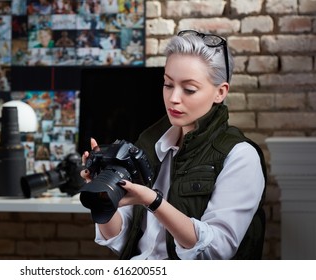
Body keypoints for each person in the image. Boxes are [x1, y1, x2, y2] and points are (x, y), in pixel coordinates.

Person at [80, 30, 267, 260]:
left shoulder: (240, 156)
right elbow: (122, 238)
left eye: (189, 89)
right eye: (168, 84)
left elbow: (215, 252)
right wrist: (102, 197)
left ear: (220, 92)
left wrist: (153, 200)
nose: (173, 98)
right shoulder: (149, 144)